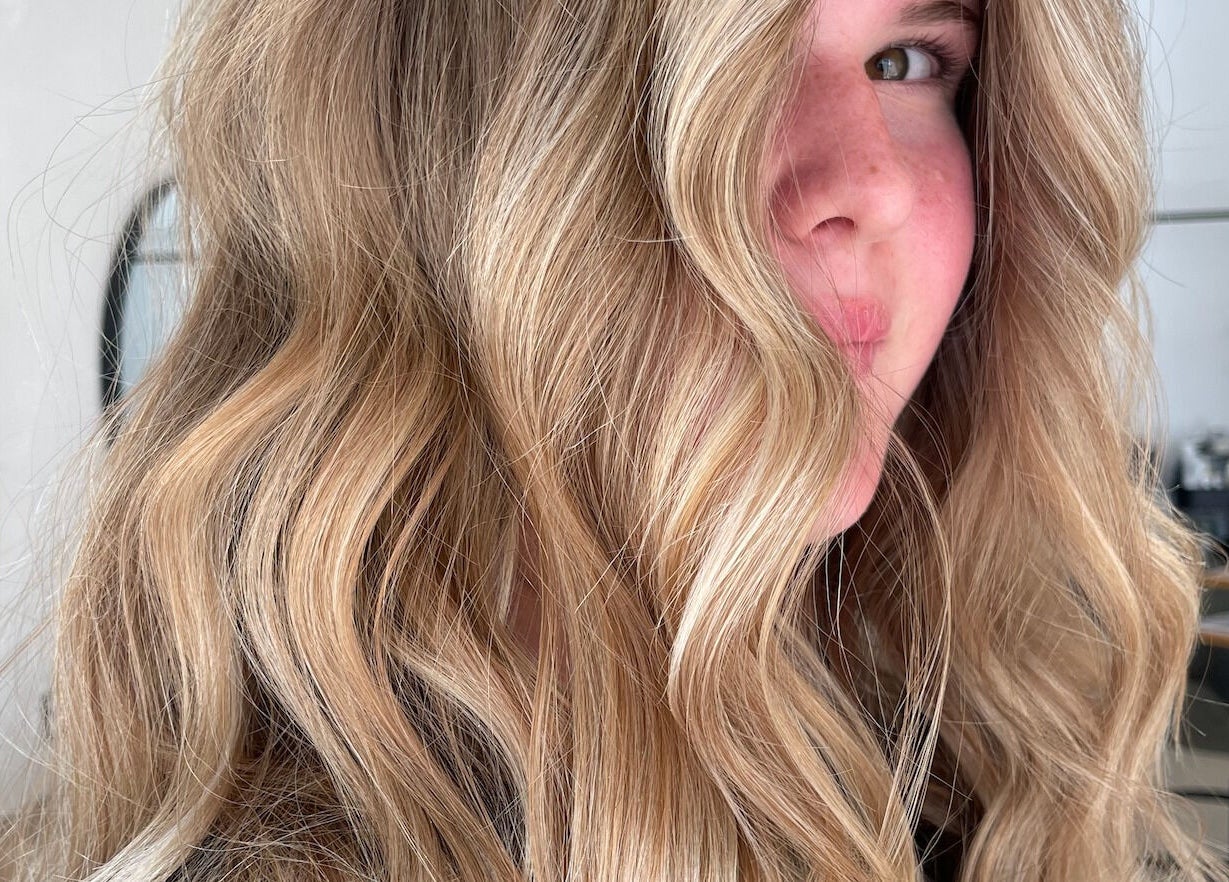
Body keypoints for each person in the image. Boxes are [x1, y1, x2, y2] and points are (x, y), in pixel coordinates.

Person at [2, 0, 1225, 879]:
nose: (874, 186)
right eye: (710, 70)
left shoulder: (980, 775)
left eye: (906, 60)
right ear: (415, 168)